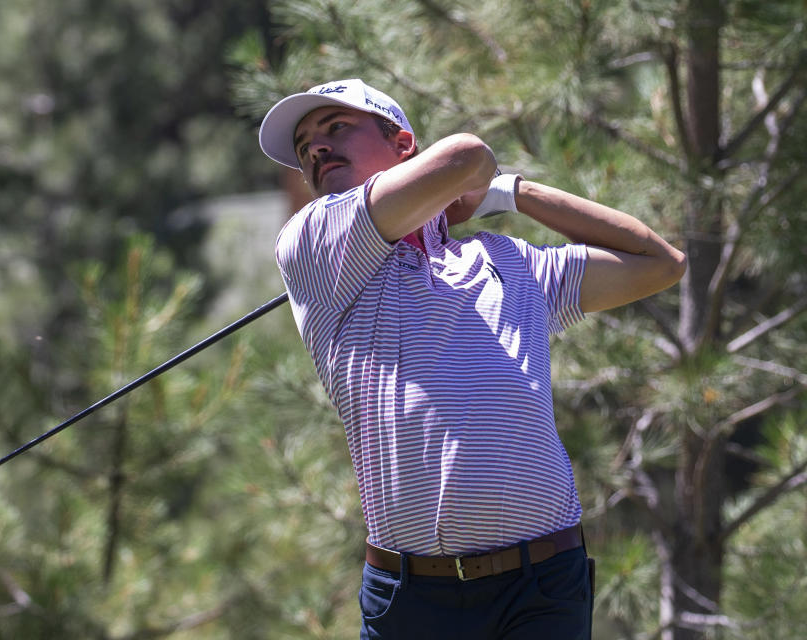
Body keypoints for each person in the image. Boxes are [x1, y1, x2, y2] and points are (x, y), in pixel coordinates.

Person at [257, 79, 685, 639]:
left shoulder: (508, 261)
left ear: (404, 145)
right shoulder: (316, 243)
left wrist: (509, 194)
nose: (315, 148)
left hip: (541, 586)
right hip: (413, 598)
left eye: (336, 128)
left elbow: (660, 263)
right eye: (305, 145)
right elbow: (466, 157)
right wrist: (462, 184)